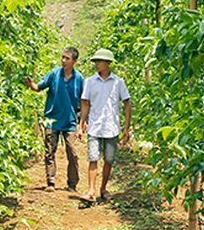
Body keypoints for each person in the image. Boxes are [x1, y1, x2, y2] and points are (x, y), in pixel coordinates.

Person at [25, 47, 85, 192]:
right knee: (50, 151)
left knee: (72, 152)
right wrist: (30, 84)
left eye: (67, 58)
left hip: (70, 121)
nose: (63, 61)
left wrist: (82, 123)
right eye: (62, 57)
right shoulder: (53, 74)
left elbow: (84, 101)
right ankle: (51, 182)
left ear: (75, 61)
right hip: (52, 119)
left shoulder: (79, 79)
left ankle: (72, 184)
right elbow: (39, 87)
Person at [78, 48, 131, 202]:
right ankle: (91, 191)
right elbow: (85, 104)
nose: (97, 64)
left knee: (109, 160)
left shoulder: (118, 82)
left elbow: (127, 104)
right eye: (95, 61)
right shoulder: (89, 82)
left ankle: (103, 189)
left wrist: (126, 128)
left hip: (112, 127)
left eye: (99, 61)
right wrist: (82, 124)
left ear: (108, 63)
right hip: (95, 126)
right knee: (92, 158)